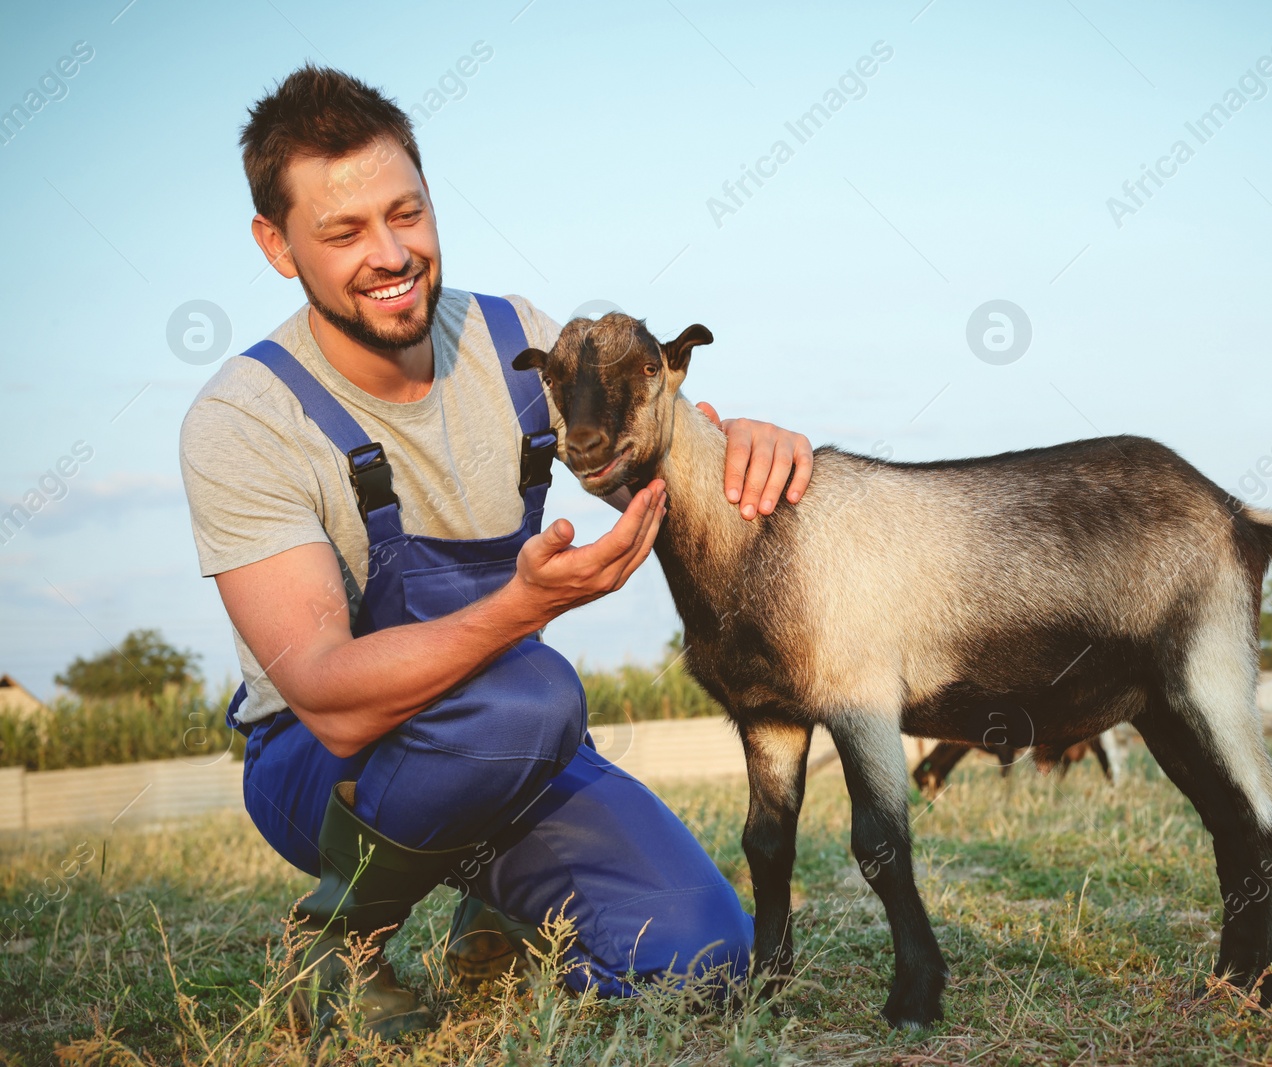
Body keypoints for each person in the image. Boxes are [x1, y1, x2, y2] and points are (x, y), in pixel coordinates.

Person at [177, 64, 814, 1039]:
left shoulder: (514, 335)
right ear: (277, 244)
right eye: (343, 232)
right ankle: (337, 940)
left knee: (700, 960)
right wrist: (521, 611)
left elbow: (642, 448)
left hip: (513, 748)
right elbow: (326, 694)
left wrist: (743, 448)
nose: (391, 254)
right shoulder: (243, 418)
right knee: (533, 689)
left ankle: (503, 920)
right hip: (324, 765)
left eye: (407, 213)